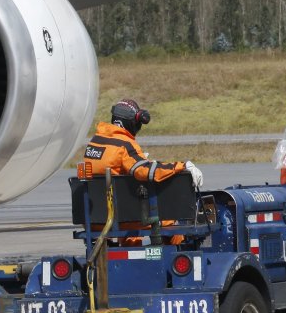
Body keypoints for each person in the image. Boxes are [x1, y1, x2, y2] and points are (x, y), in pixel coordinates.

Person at [83, 98, 203, 244]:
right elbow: (146, 171)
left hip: (94, 219)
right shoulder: (124, 144)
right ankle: (175, 253)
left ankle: (129, 249)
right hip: (120, 218)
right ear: (133, 122)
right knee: (169, 220)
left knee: (130, 211)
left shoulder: (95, 141)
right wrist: (182, 166)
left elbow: (111, 167)